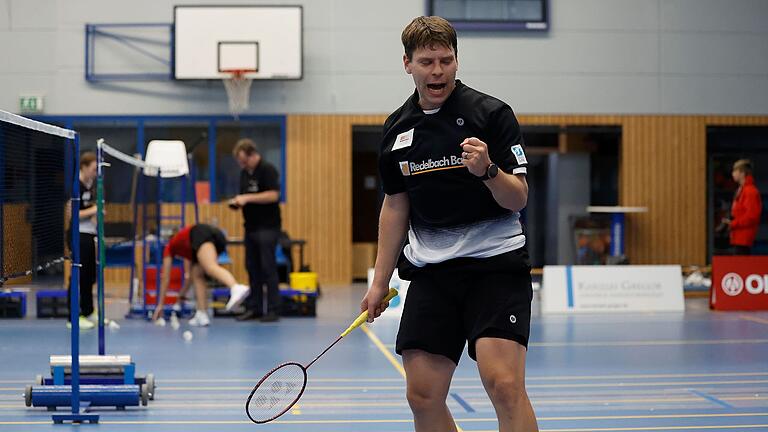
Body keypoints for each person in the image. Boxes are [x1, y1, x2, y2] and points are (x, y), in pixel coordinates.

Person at [360, 16, 538, 432]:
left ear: (457, 61)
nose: (437, 70)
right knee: (422, 395)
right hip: (432, 273)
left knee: (505, 384)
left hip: (495, 267)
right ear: (408, 64)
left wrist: (489, 170)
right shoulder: (397, 129)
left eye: (445, 60)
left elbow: (519, 197)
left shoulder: (491, 114)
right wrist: (378, 281)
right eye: (427, 62)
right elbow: (395, 206)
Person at [151, 223, 250, 326]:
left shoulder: (170, 247)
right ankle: (201, 313)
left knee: (210, 267)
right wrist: (181, 295)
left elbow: (165, 278)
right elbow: (189, 277)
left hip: (201, 233)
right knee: (197, 275)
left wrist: (160, 305)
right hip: (215, 237)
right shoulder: (186, 248)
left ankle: (235, 287)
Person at [229, 138, 282, 322]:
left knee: (268, 267)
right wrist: (238, 202)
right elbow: (245, 196)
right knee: (252, 267)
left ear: (253, 155)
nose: (242, 165)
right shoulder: (244, 173)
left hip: (267, 227)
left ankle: (274, 309)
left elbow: (273, 195)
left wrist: (247, 198)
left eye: (244, 160)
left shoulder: (267, 170)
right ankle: (256, 307)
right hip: (250, 227)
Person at [67, 152, 97, 330]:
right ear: (84, 167)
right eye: (93, 169)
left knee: (89, 276)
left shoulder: (91, 185)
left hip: (89, 234)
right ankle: (73, 317)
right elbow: (73, 215)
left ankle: (88, 311)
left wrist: (96, 214)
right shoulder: (75, 186)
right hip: (77, 234)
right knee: (77, 276)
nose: (95, 173)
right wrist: (94, 209)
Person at [725, 159, 762, 255]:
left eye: (735, 171)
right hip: (738, 237)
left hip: (744, 239)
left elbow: (752, 216)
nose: (732, 174)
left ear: (742, 173)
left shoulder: (750, 192)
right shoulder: (741, 190)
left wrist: (734, 223)